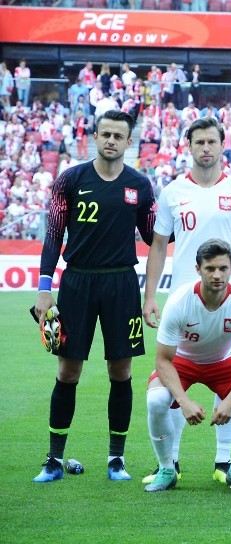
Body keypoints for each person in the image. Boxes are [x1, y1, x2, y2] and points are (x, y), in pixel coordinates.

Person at [33, 110, 156, 483]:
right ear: (95, 136)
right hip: (77, 284)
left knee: (121, 371)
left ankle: (116, 460)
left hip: (121, 284)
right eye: (106, 134)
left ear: (128, 142)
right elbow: (54, 235)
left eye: (119, 136)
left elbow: (154, 238)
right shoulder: (70, 180)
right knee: (68, 371)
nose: (112, 141)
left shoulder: (141, 185)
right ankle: (54, 460)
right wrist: (43, 289)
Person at [141, 117, 231, 485]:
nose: (206, 148)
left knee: (229, 375)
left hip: (228, 298)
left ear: (222, 146)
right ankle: (171, 463)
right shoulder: (173, 192)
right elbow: (159, 246)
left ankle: (225, 462)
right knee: (173, 383)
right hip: (184, 299)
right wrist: (149, 296)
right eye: (200, 142)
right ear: (189, 147)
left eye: (212, 141)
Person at [144, 239, 231, 492]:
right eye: (210, 268)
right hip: (182, 361)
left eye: (223, 268)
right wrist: (184, 401)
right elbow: (163, 360)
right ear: (198, 269)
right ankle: (166, 468)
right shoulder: (179, 301)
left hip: (223, 360)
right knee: (156, 400)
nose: (217, 275)